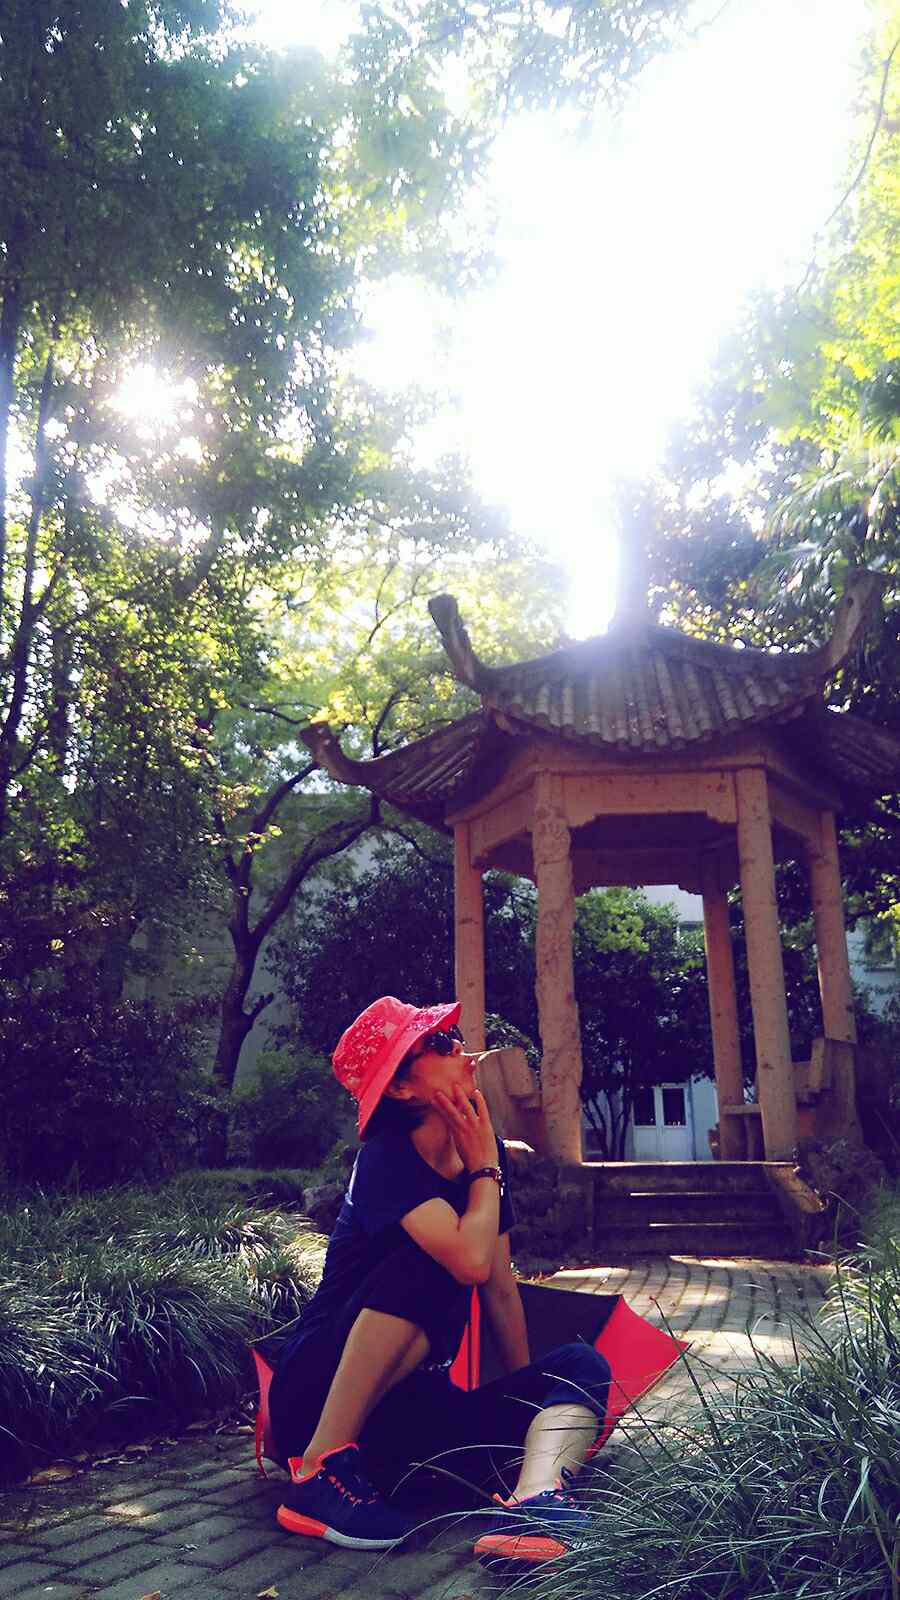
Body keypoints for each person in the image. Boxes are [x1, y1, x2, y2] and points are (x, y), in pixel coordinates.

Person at [268, 996, 611, 1559]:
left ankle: (534, 1502)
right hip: (318, 1397)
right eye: (438, 1043)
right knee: (433, 1257)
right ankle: (318, 1473)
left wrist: (524, 1401)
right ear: (402, 1088)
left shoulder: (481, 1158)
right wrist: (485, 1169)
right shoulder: (386, 1158)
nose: (461, 1048)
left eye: (454, 1036)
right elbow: (470, 1263)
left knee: (579, 1366)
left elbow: (499, 1289)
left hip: (406, 1418)